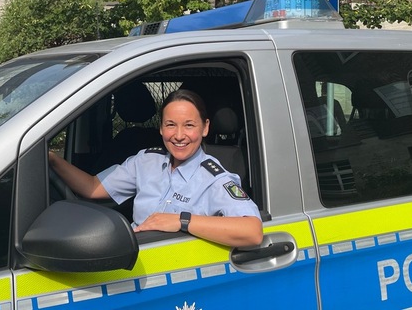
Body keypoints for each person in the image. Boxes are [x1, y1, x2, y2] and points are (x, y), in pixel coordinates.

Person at [48, 89, 263, 247]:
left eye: (189, 125)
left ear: (205, 127)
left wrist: (182, 221)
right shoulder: (146, 161)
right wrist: (52, 160)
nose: (179, 136)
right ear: (160, 128)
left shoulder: (214, 178)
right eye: (171, 125)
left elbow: (253, 231)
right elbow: (93, 187)